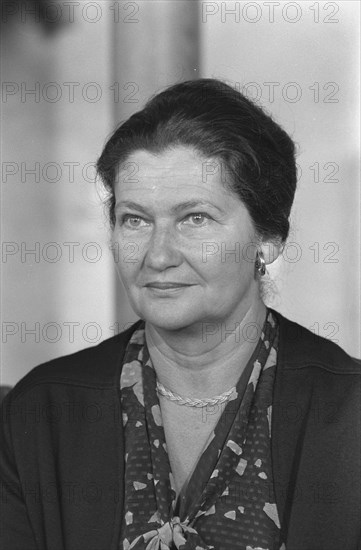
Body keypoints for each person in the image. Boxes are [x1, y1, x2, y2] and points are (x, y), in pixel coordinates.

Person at [1, 79, 360, 550]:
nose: (159, 254)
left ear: (267, 238)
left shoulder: (348, 415)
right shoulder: (41, 413)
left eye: (195, 218)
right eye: (135, 219)